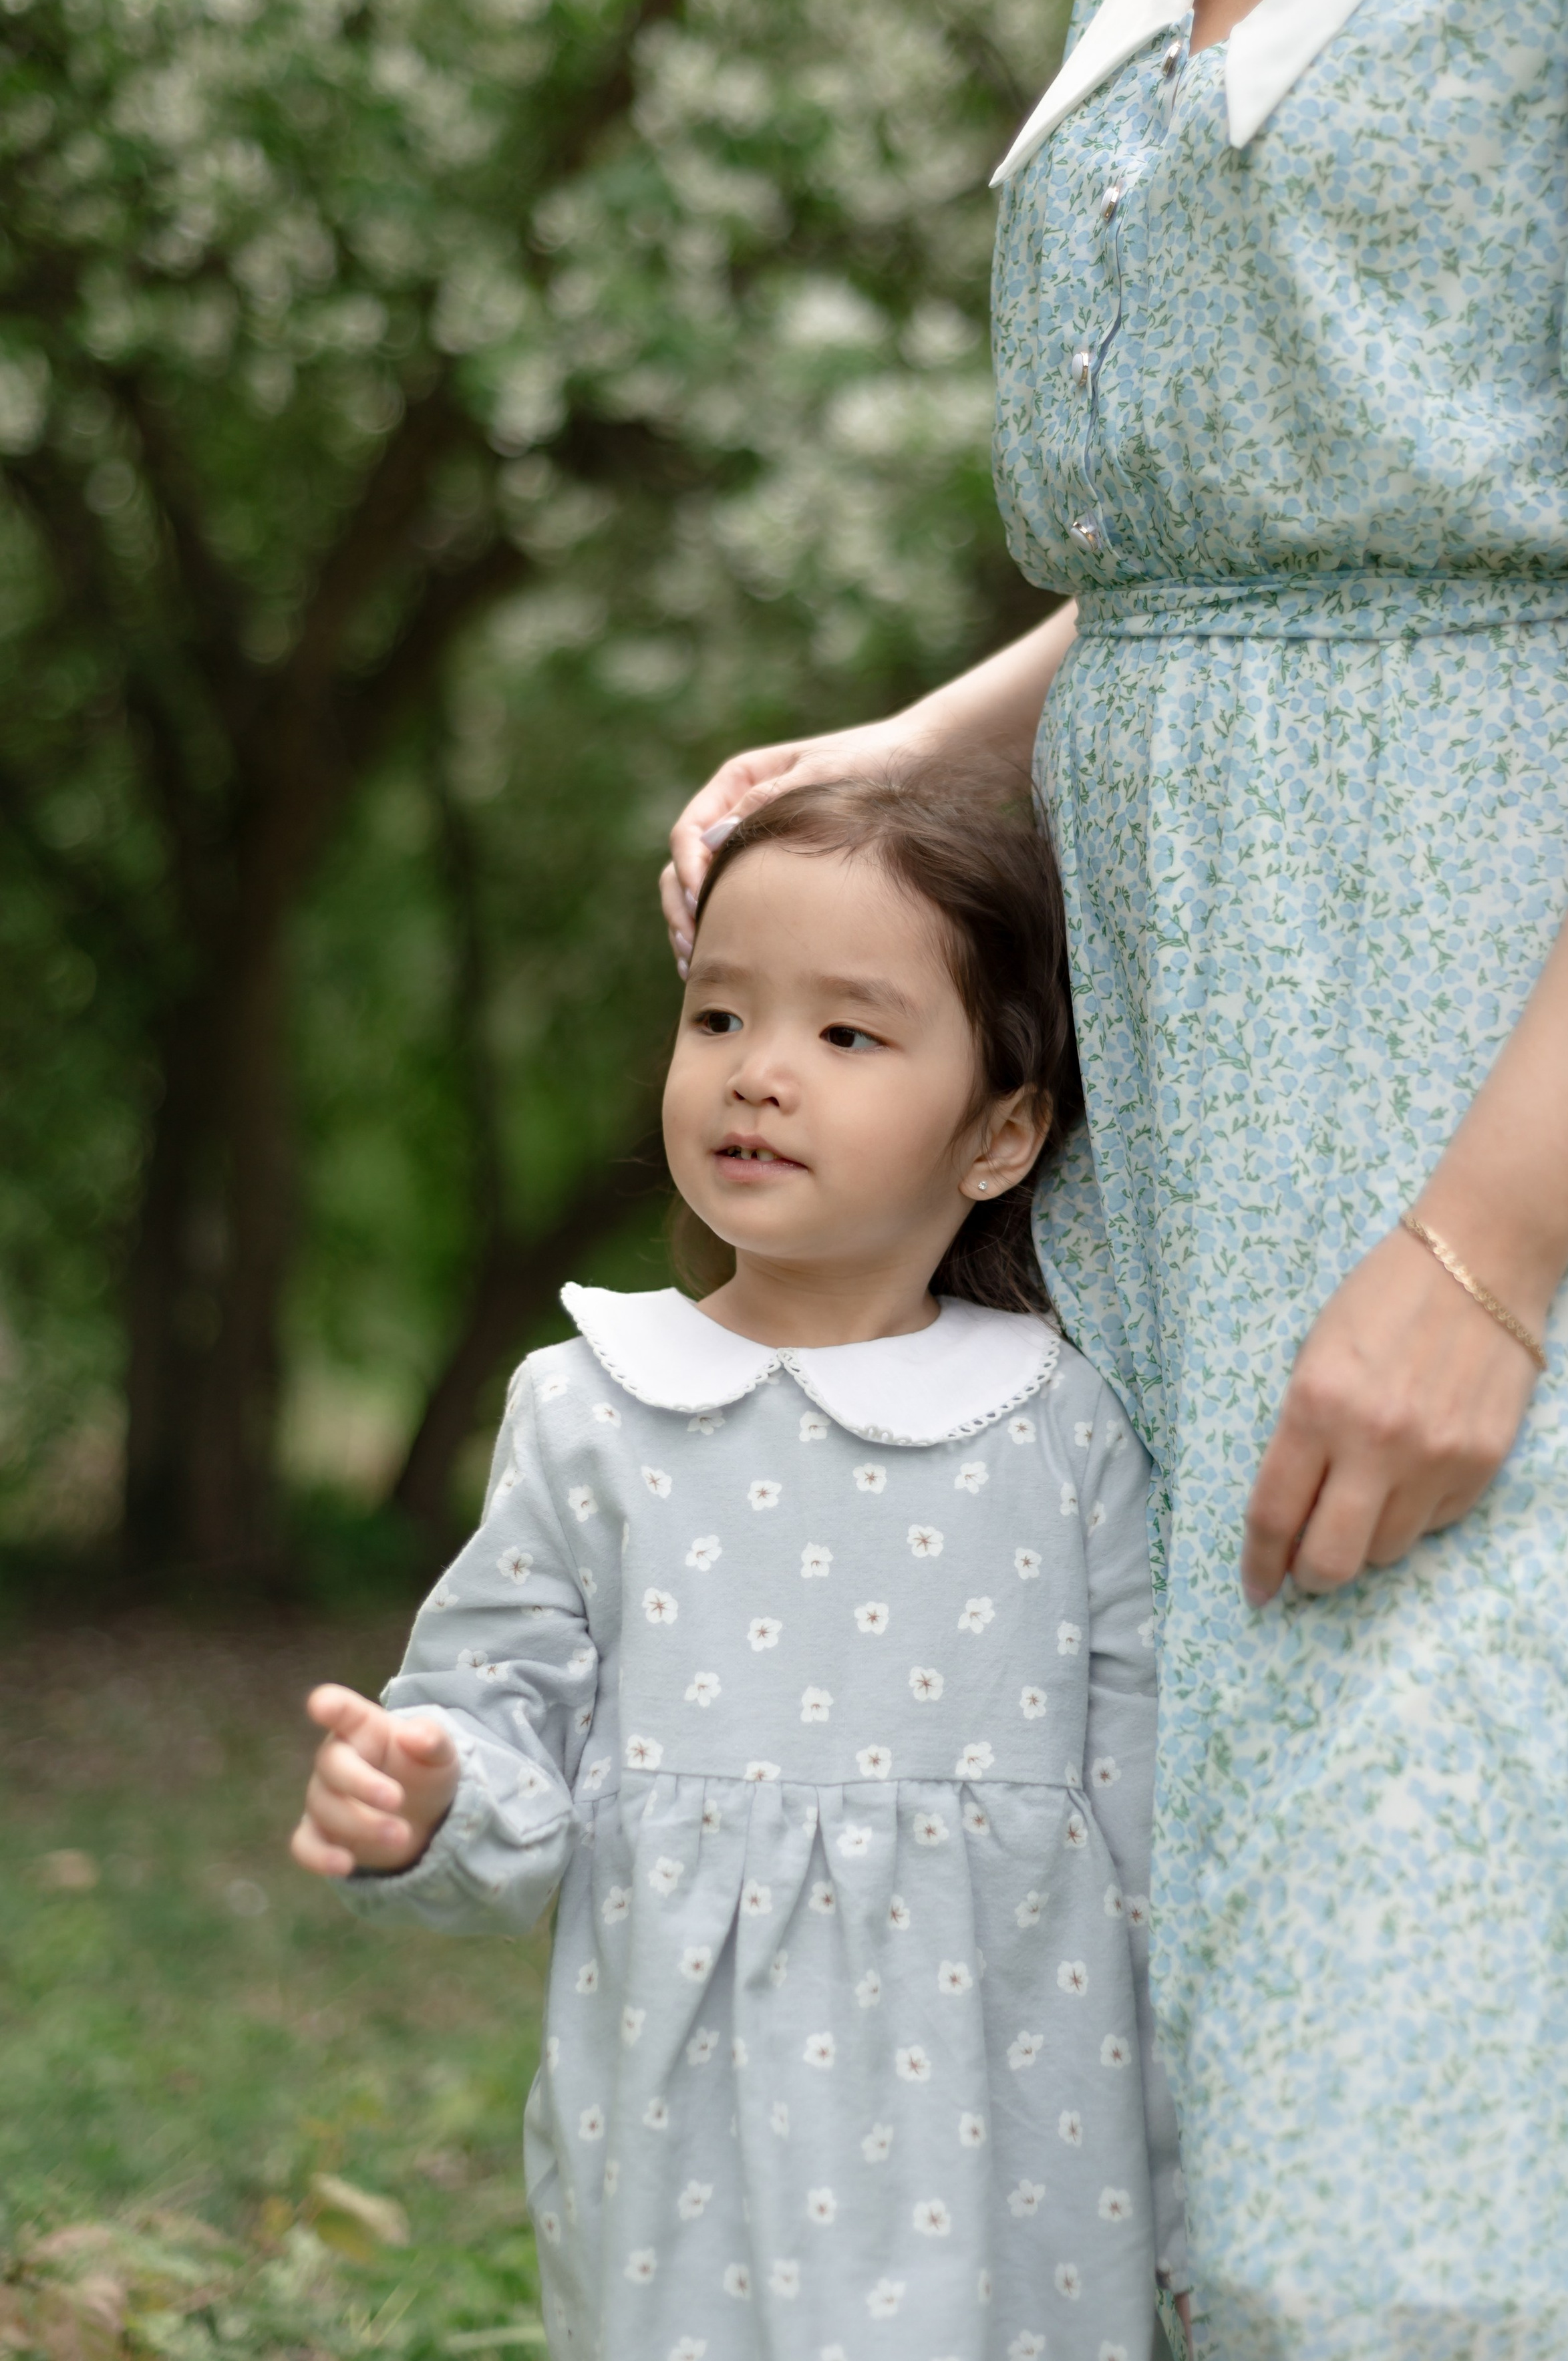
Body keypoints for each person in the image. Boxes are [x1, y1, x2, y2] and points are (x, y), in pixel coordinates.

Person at [660, 0, 1568, 2354]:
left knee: (1425, 2145)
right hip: (1169, 1150)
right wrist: (911, 748)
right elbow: (1257, 515)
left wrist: (1491, 1247)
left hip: (1516, 1100)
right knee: (1144, 2116)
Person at [292, 772, 1191, 2361]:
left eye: (846, 1034)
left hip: (1010, 2120)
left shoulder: (1061, 1424)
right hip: (675, 2125)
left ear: (999, 1131)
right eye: (718, 1017)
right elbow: (497, 1723)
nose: (759, 1074)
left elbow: (1148, 1809)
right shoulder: (588, 1406)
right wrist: (428, 1791)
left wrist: (1193, 2148)